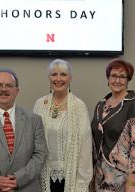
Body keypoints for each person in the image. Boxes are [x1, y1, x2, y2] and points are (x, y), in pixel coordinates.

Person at [33, 59, 93, 192]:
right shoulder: (40, 104)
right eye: (54, 74)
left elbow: (86, 148)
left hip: (71, 179)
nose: (58, 79)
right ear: (48, 78)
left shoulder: (79, 106)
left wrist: (81, 183)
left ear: (70, 78)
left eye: (63, 74)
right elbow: (33, 143)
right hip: (44, 176)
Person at [91, 58, 135, 192]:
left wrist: (132, 182)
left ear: (128, 80)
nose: (117, 80)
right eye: (114, 75)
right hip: (99, 174)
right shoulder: (101, 104)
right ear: (108, 78)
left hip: (122, 176)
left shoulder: (133, 104)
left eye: (122, 77)